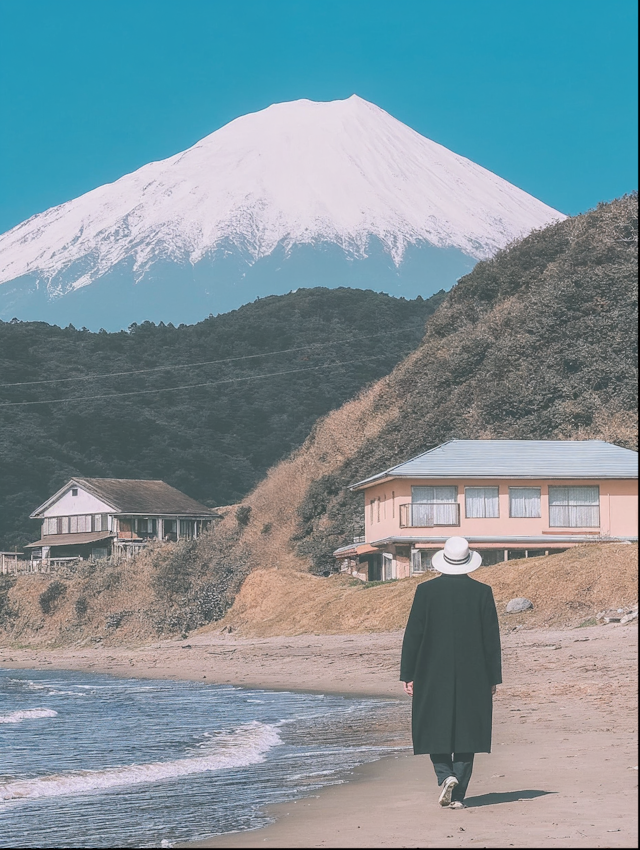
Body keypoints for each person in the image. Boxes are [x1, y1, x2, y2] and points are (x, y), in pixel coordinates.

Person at [400, 536, 502, 809]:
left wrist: (407, 674)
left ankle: (446, 775)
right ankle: (458, 797)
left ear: (443, 560)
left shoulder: (425, 591)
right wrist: (494, 678)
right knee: (468, 730)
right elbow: (491, 639)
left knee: (434, 724)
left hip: (431, 669)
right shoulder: (482, 592)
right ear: (468, 561)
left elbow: (413, 635)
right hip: (475, 671)